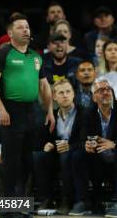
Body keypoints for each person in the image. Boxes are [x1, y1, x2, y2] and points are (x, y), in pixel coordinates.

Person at [0, 13, 54, 204]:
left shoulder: (35, 56)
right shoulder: (2, 54)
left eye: (27, 27)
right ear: (10, 32)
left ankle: (22, 203)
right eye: (20, 27)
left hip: (31, 111)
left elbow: (44, 86)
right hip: (11, 110)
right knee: (11, 161)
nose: (26, 30)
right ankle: (8, 205)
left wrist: (49, 110)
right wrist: (0, 109)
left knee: (27, 160)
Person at [70, 78, 117, 217]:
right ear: (94, 98)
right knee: (77, 155)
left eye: (108, 89)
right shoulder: (88, 113)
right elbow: (80, 140)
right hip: (97, 158)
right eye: (101, 90)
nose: (106, 92)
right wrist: (85, 145)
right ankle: (83, 201)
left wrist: (114, 144)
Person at [33, 79, 84, 215]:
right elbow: (44, 140)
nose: (65, 95)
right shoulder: (51, 115)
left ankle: (66, 200)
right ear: (54, 97)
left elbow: (86, 139)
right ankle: (46, 198)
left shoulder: (84, 113)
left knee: (67, 156)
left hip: (78, 154)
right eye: (61, 92)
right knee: (38, 157)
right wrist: (47, 145)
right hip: (58, 154)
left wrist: (70, 146)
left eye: (68, 92)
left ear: (73, 94)